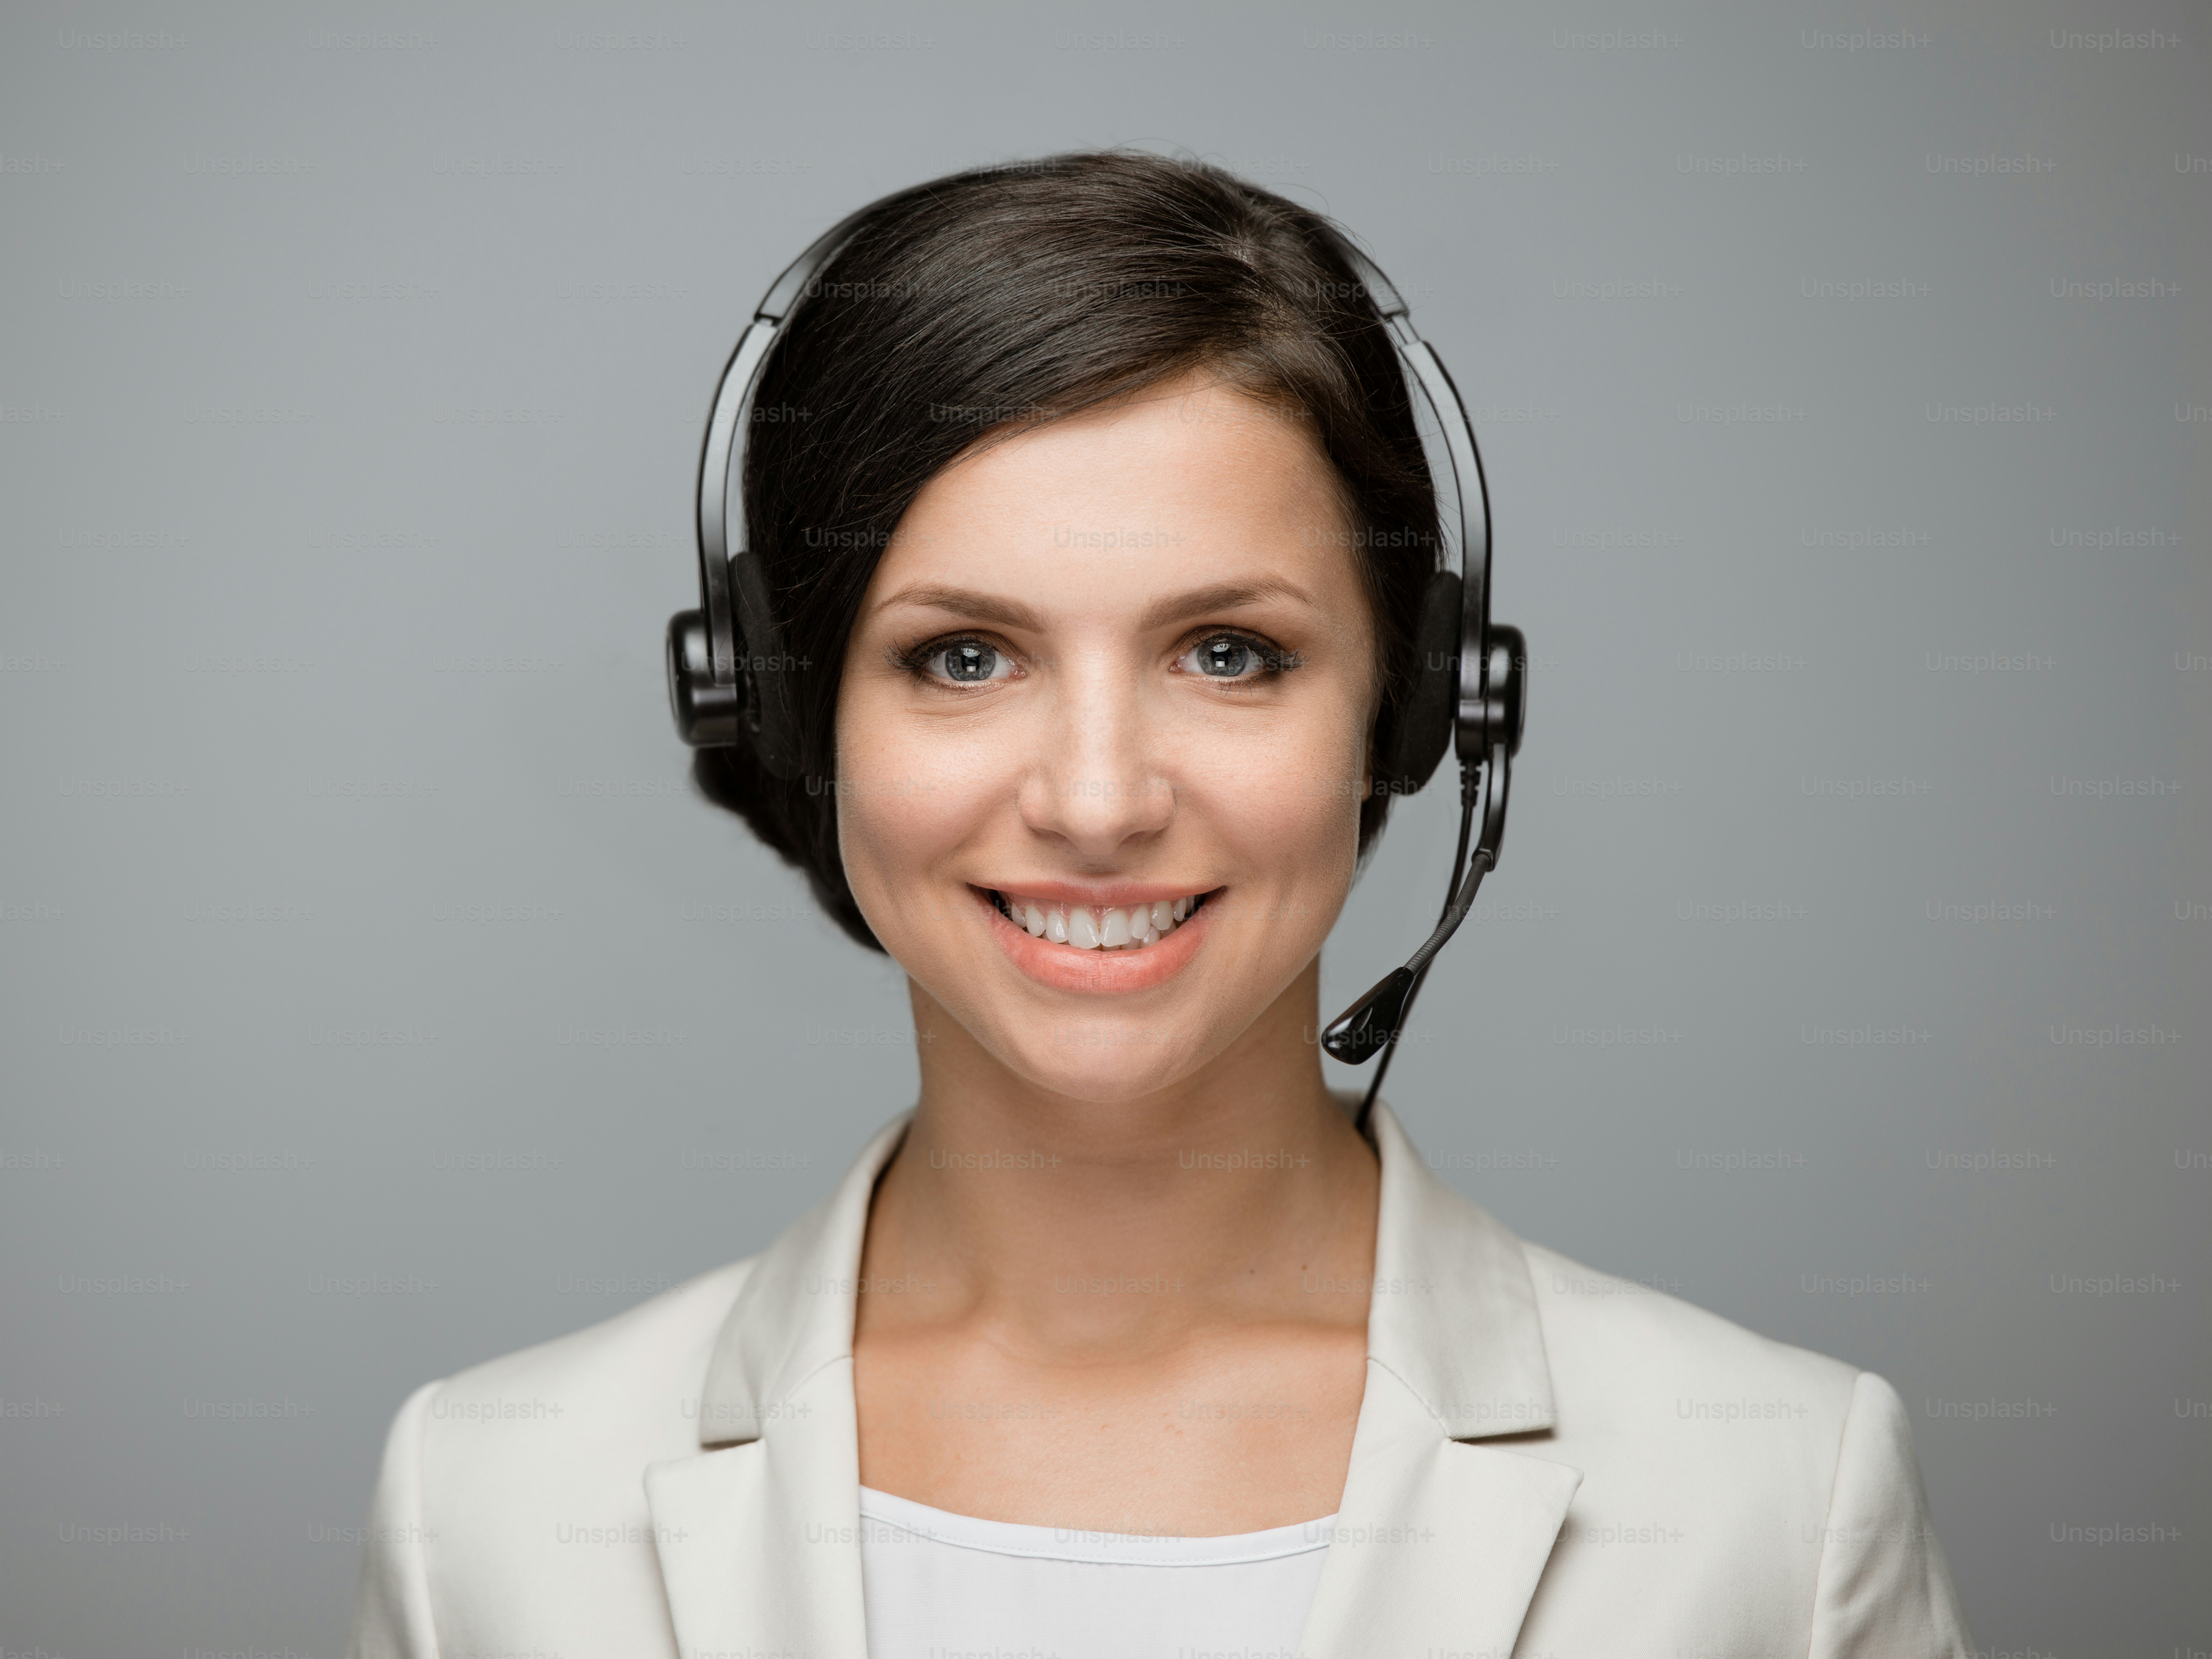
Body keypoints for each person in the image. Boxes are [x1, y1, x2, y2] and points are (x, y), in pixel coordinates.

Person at [348, 151, 1974, 1659]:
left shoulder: (1781, 1500)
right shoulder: (486, 1509)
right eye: (963, 657)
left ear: (1412, 712)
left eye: (1229, 653)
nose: (1101, 800)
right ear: (788, 713)